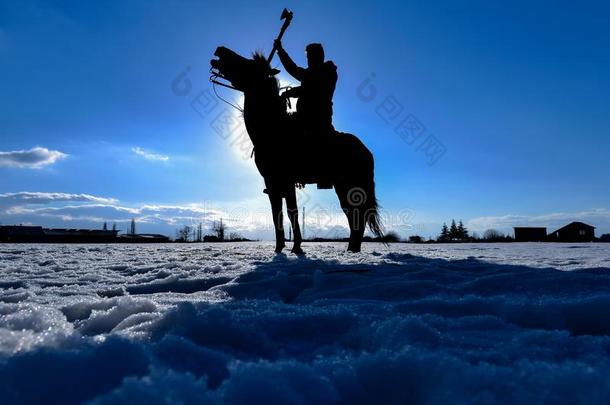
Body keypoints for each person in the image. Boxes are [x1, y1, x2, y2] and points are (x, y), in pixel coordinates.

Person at [274, 40, 337, 188]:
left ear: (318, 57)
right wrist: (290, 92)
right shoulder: (313, 73)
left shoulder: (326, 72)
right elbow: (301, 78)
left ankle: (320, 175)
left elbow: (309, 86)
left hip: (317, 117)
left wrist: (281, 51)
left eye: (310, 57)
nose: (308, 60)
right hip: (304, 115)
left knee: (307, 136)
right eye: (307, 57)